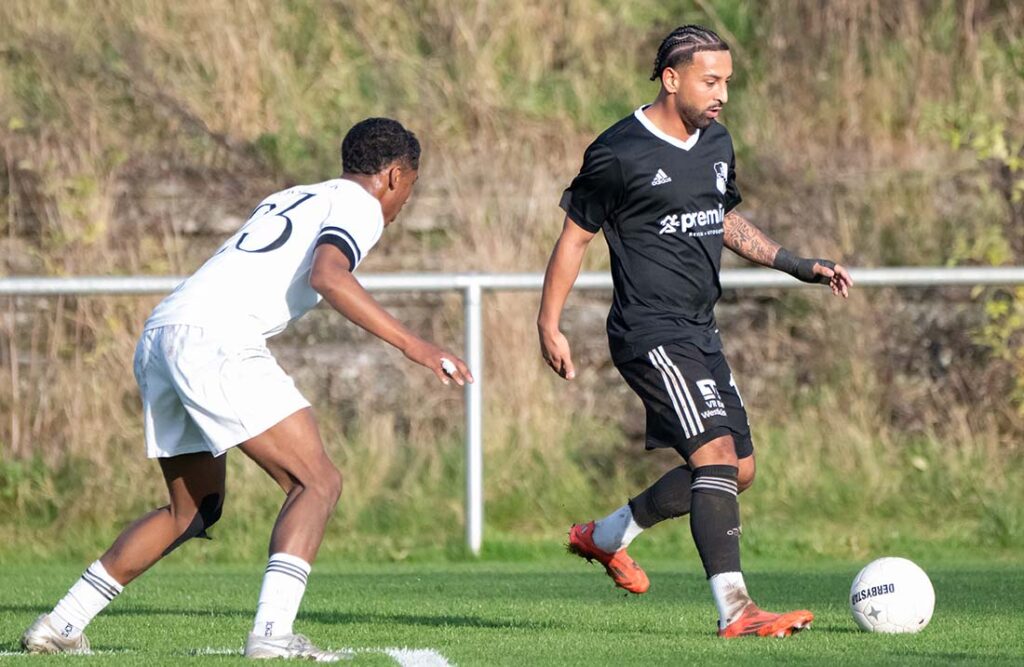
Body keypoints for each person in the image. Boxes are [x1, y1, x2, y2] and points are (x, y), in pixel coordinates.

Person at [21, 117, 473, 660]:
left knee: (191, 511)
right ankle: (272, 635)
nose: (402, 208)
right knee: (318, 482)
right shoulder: (360, 205)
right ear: (395, 176)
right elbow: (329, 276)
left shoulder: (296, 195)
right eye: (410, 190)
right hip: (216, 338)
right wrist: (415, 345)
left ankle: (61, 624)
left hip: (164, 331)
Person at [538, 25, 853, 638]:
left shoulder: (716, 142)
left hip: (699, 330)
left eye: (727, 82)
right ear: (671, 78)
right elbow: (575, 237)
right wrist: (549, 323)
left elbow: (723, 218)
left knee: (739, 471)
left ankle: (605, 537)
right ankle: (737, 609)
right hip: (648, 333)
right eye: (711, 81)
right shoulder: (618, 152)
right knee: (712, 458)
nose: (723, 95)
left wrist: (797, 265)